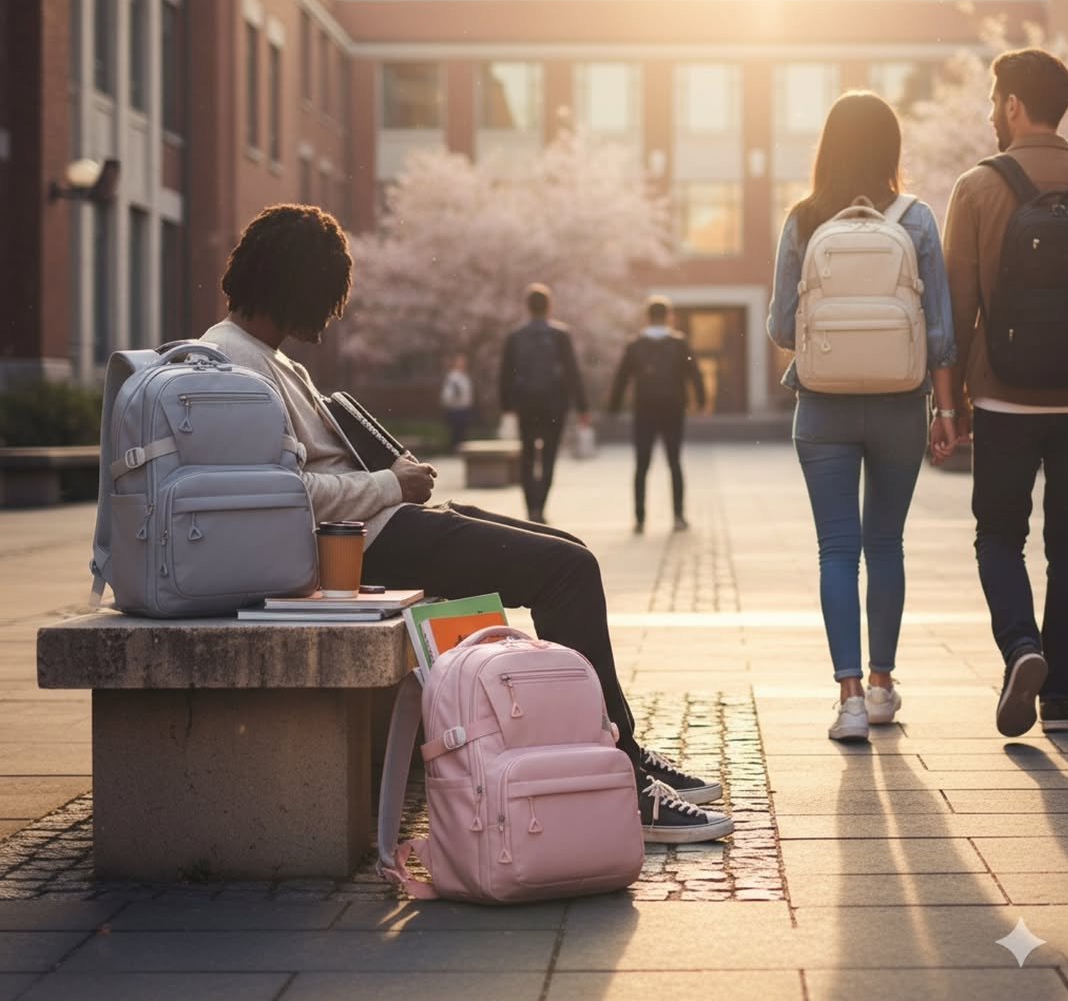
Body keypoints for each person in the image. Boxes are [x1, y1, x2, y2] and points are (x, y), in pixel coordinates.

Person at [201, 203, 733, 843]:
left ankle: (619, 742)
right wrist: (387, 483)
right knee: (568, 572)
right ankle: (619, 781)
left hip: (384, 523)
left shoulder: (266, 357)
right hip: (359, 545)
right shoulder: (233, 369)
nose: (329, 318)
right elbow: (281, 495)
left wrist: (390, 476)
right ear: (297, 287)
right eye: (326, 298)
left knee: (566, 548)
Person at [767, 91, 958, 743]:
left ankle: (846, 697)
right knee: (885, 544)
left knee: (837, 550)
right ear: (891, 148)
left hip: (822, 408)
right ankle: (882, 686)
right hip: (902, 405)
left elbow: (779, 329)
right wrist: (947, 408)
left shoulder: (802, 220)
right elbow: (939, 333)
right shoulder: (917, 218)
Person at [942, 48, 1068, 737]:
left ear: (1015, 106)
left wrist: (947, 403)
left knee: (999, 534)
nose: (991, 113)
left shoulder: (977, 186)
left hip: (1002, 395)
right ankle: (1059, 693)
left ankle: (1020, 646)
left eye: (996, 100)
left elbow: (956, 309)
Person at [609, 295, 706, 534]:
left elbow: (622, 378)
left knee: (642, 464)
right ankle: (678, 516)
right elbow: (695, 374)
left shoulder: (636, 344)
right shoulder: (679, 343)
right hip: (673, 408)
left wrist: (614, 407)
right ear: (669, 316)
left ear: (647, 317)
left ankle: (640, 518)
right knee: (674, 461)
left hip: (644, 409)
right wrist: (700, 401)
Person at [498, 284, 589, 524]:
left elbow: (506, 374)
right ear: (549, 306)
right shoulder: (560, 335)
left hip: (526, 404)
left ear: (527, 307)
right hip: (554, 404)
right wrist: (582, 406)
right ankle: (540, 505)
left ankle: (530, 508)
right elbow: (572, 373)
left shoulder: (515, 337)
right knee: (549, 456)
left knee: (528, 455)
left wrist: (507, 406)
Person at [439, 352, 473, 450]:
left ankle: (461, 450)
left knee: (463, 432)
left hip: (465, 408)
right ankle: (455, 450)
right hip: (456, 409)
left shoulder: (465, 376)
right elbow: (447, 394)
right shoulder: (453, 377)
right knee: (456, 432)